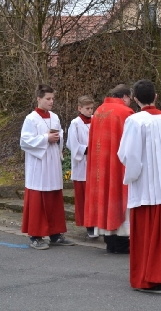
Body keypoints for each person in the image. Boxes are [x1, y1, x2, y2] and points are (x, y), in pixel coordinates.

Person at [118, 79, 161, 294]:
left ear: (135, 99)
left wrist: (130, 177)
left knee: (147, 236)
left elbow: (129, 155)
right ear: (155, 96)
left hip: (146, 187)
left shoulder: (135, 121)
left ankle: (153, 280)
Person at [20, 84, 75, 250]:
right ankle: (35, 236)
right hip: (39, 164)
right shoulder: (31, 119)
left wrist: (58, 139)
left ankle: (55, 234)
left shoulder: (55, 117)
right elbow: (25, 141)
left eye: (52, 99)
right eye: (48, 99)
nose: (51, 102)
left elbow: (59, 136)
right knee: (38, 198)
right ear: (39, 99)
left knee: (53, 198)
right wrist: (45, 139)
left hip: (52, 162)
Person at [83, 85, 134, 253]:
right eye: (129, 99)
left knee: (104, 198)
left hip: (100, 165)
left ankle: (109, 240)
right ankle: (121, 241)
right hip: (117, 165)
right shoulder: (125, 113)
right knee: (117, 197)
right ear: (125, 96)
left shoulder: (98, 111)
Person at [65, 95, 95, 237]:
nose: (90, 111)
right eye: (87, 108)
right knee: (84, 197)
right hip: (82, 164)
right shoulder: (75, 123)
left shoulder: (96, 120)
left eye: (91, 108)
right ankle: (88, 226)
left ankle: (95, 223)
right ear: (79, 108)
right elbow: (72, 143)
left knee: (94, 197)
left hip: (95, 164)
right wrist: (86, 149)